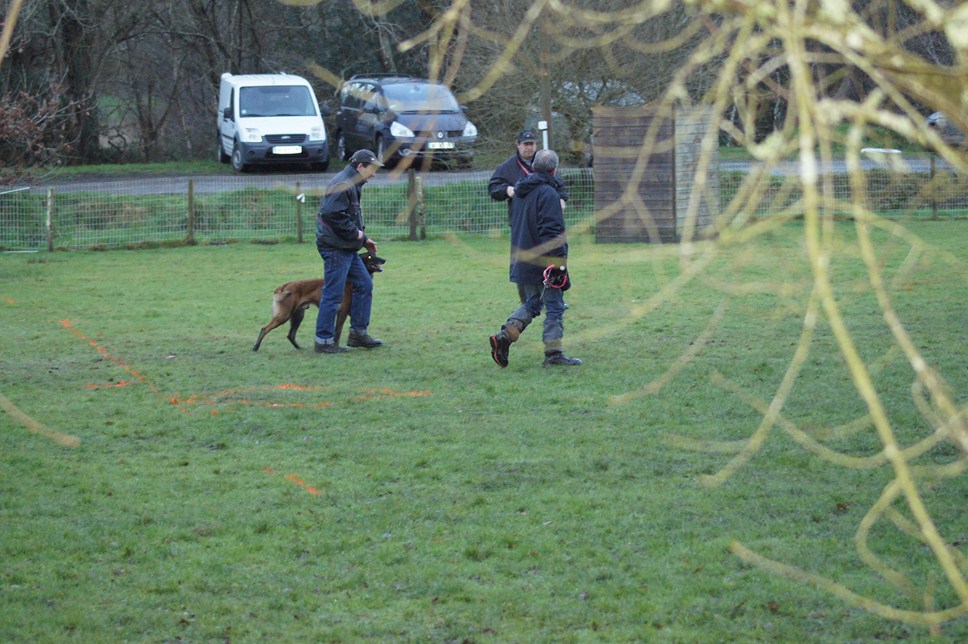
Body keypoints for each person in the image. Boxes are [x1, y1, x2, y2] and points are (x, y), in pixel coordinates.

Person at [488, 149, 582, 368]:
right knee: (555, 307)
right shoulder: (548, 194)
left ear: (533, 167)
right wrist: (557, 265)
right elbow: (552, 231)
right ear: (554, 170)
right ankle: (554, 354)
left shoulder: (521, 191)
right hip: (545, 262)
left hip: (523, 259)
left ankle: (505, 336)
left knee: (533, 303)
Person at [313, 149, 384, 354]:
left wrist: (363, 240)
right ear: (360, 167)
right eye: (371, 169)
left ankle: (357, 334)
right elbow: (332, 215)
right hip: (335, 247)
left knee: (364, 284)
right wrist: (360, 237)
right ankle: (324, 341)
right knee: (334, 294)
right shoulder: (343, 183)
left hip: (346, 246)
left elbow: (346, 216)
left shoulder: (352, 183)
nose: (373, 174)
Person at [488, 129, 569, 304]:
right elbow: (493, 188)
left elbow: (560, 187)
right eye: (525, 144)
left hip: (545, 220)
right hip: (521, 222)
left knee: (550, 254)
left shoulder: (545, 163)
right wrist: (507, 190)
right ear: (518, 145)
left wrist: (561, 199)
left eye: (531, 144)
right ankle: (527, 300)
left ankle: (552, 296)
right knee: (523, 260)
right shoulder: (507, 167)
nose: (528, 148)